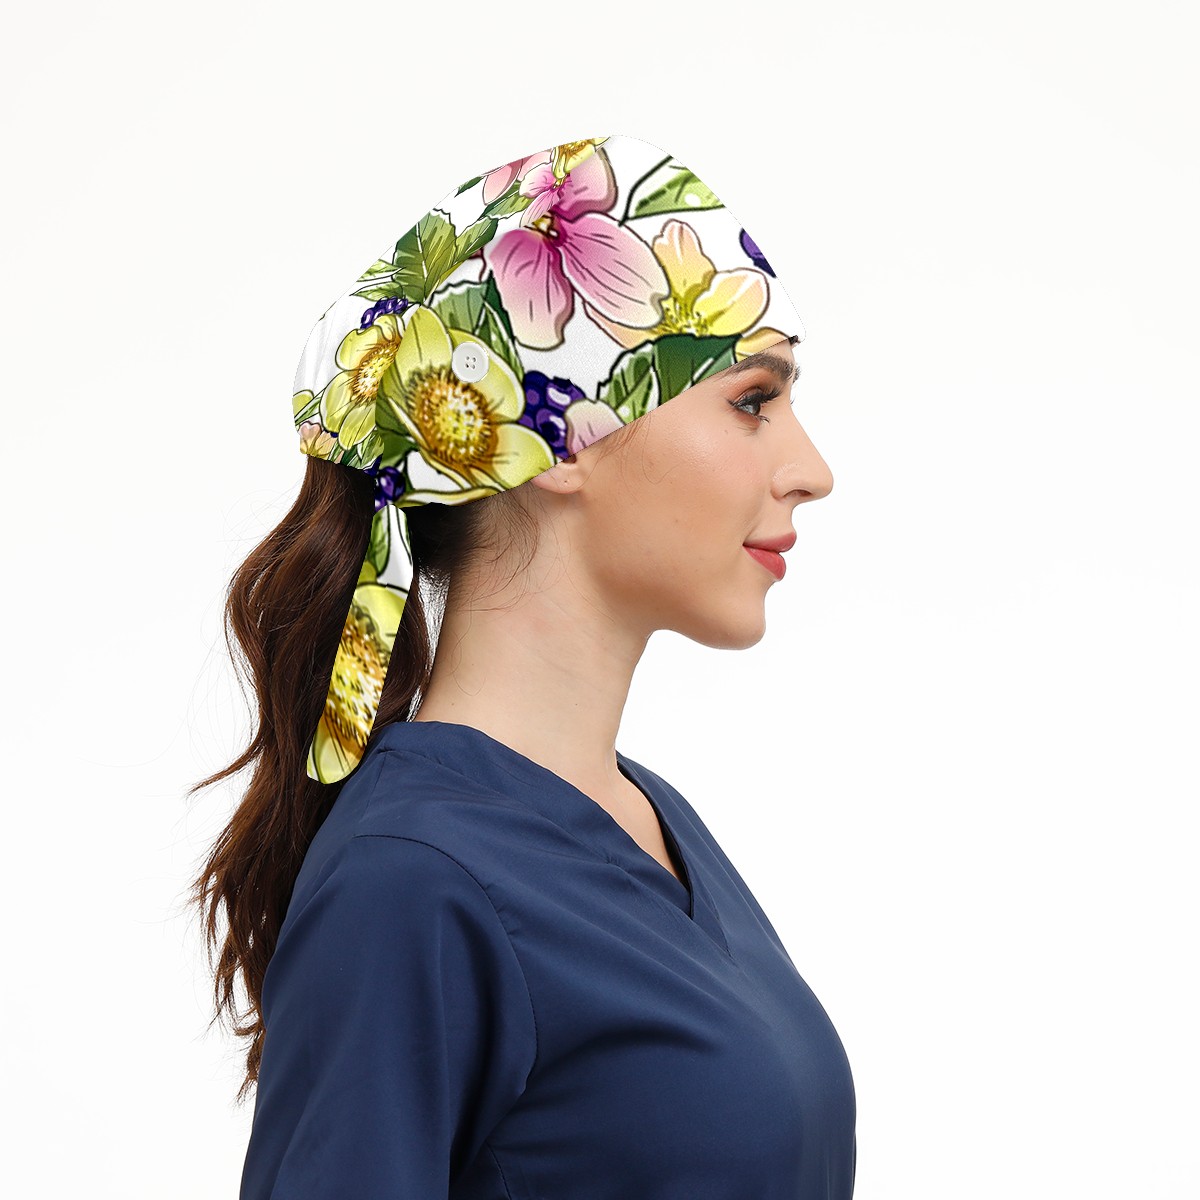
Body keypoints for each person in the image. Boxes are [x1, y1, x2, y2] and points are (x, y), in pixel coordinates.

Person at [188, 133, 856, 1198]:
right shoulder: (412, 880)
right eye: (751, 401)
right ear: (561, 438)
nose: (810, 469)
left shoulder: (646, 818)